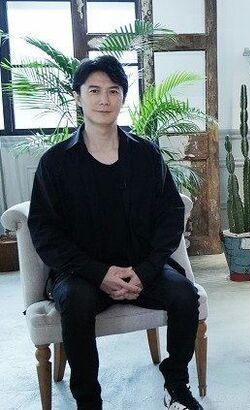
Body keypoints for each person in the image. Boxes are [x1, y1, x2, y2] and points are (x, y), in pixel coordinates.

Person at [27, 55, 203, 410]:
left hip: (141, 268)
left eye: (113, 91)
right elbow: (45, 231)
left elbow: (170, 214)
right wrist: (99, 273)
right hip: (82, 273)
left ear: (123, 97)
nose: (104, 100)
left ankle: (176, 385)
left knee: (185, 295)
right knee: (75, 302)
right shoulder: (56, 162)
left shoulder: (145, 154)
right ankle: (88, 401)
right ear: (78, 97)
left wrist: (146, 270)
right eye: (94, 91)